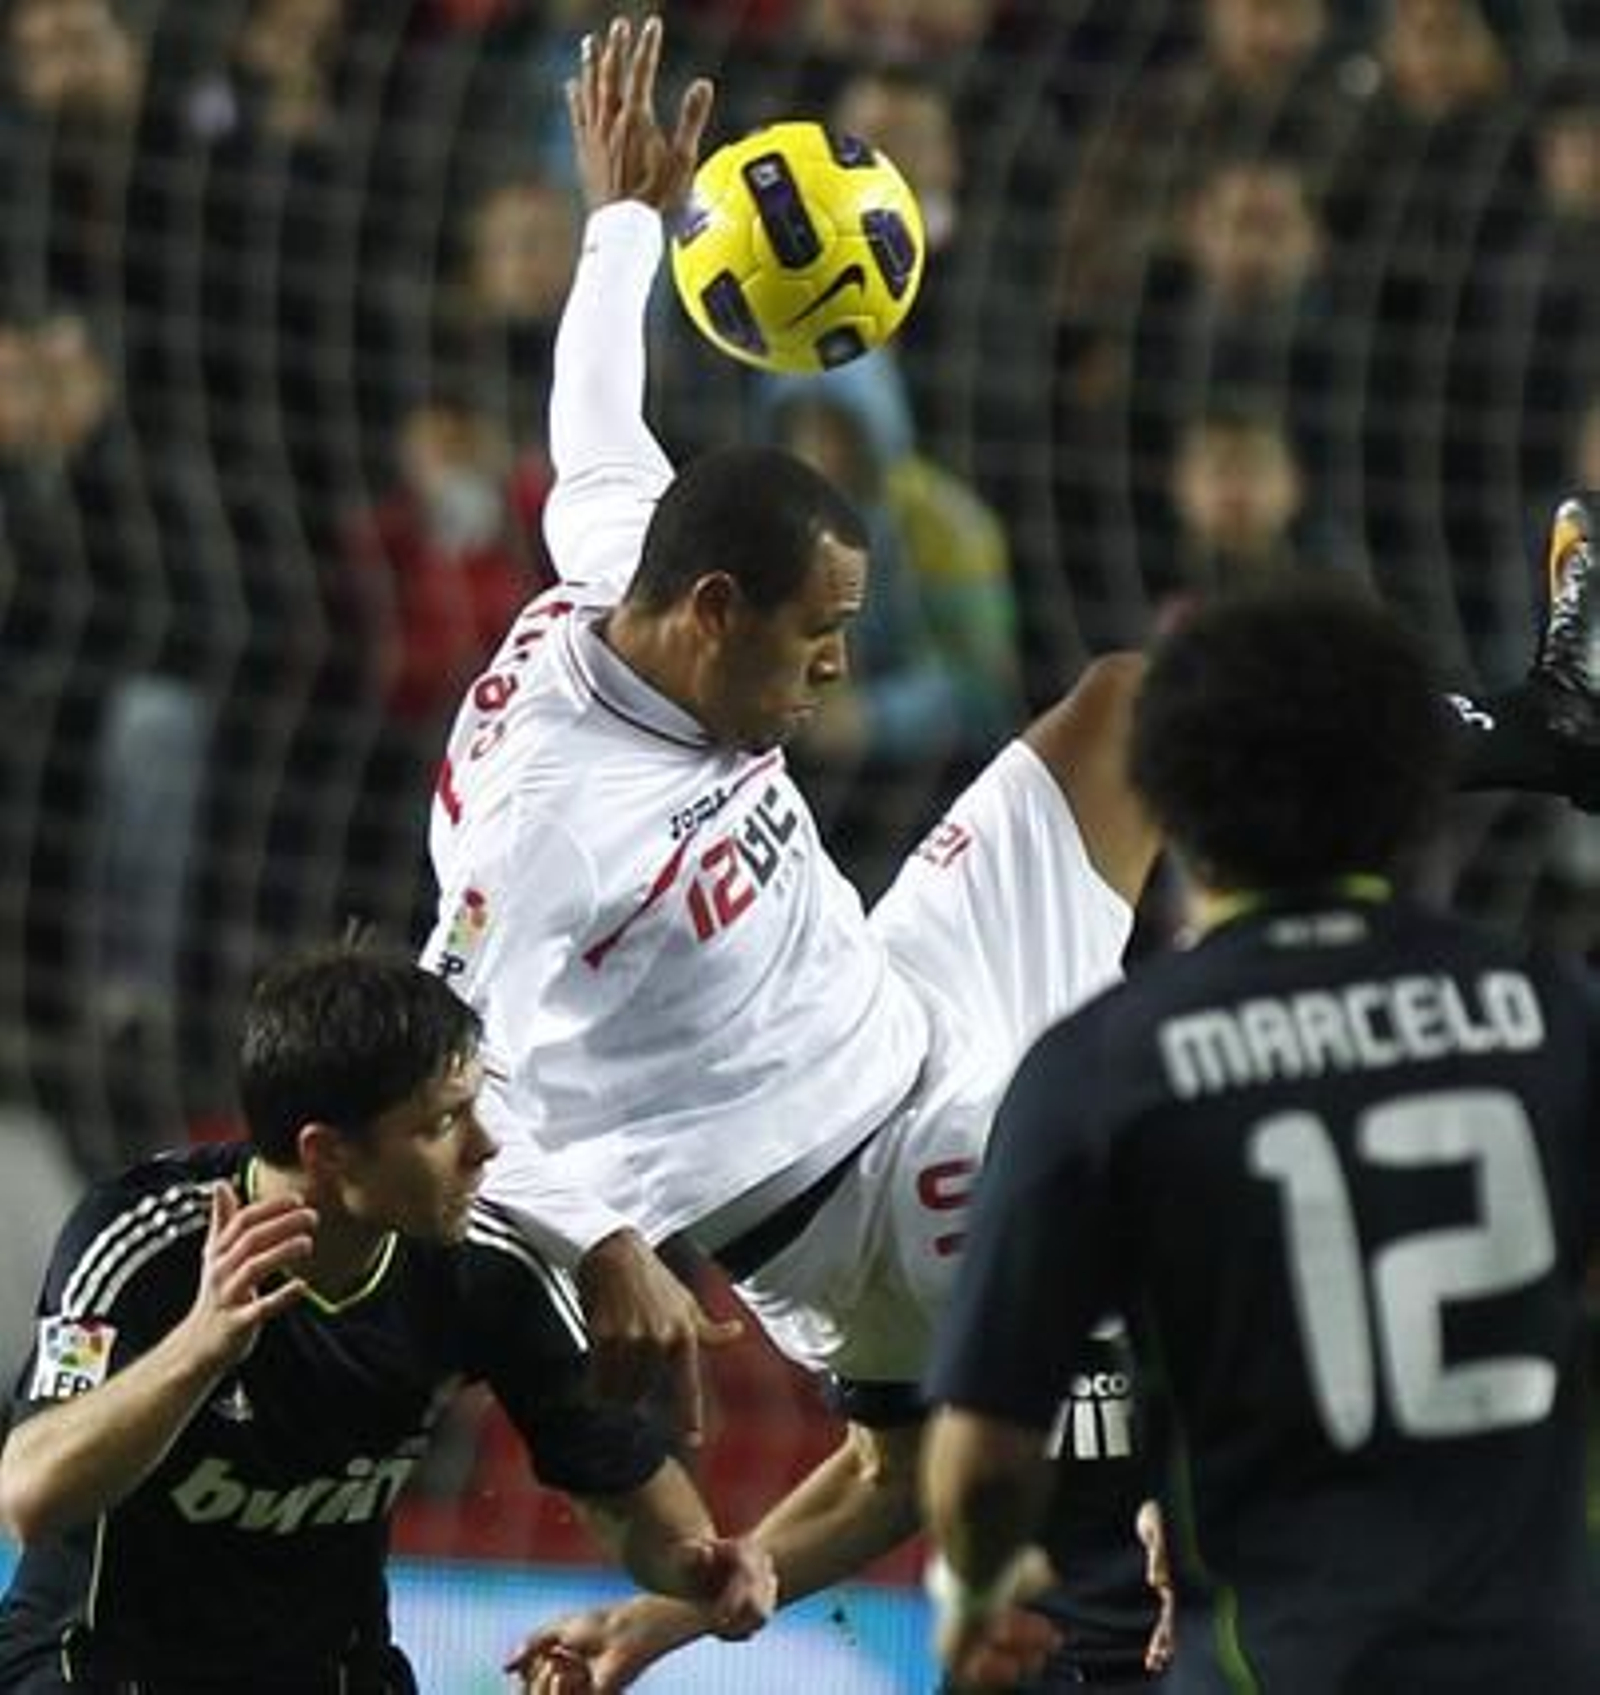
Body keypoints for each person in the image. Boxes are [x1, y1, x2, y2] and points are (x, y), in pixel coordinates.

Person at [424, 4, 1158, 1540]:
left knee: (1147, 710)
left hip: (908, 989)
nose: (837, 671)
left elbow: (594, 416)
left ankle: (1538, 723)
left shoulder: (626, 555)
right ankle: (1155, 1552)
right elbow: (432, 1078)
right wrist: (595, 1232)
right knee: (1111, 1153)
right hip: (852, 1201)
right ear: (710, 614)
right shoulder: (546, 822)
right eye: (816, 638)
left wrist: (624, 220)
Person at [922, 574, 1600, 1694]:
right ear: (1416, 791)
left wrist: (978, 1588)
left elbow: (983, 1456)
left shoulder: (1099, 1070)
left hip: (1273, 1660)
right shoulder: (1555, 1014)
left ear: (1170, 800)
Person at [0, 945, 775, 1694]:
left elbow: (627, 1499)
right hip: (100, 1669)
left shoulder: (487, 1264)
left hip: (332, 1674)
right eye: (442, 1123)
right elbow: (30, 1495)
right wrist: (200, 1348)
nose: (485, 1145)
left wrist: (702, 1569)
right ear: (329, 1151)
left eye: (478, 1105)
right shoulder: (140, 1242)